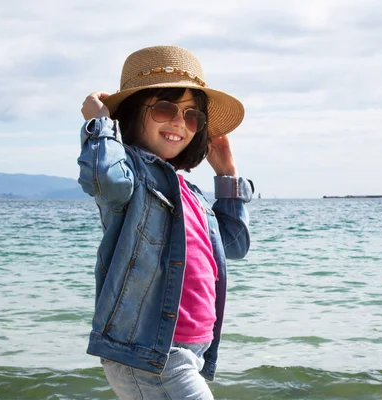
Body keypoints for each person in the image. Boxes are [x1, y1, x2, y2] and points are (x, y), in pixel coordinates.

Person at [77, 45, 253, 399]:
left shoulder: (190, 192)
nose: (179, 122)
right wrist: (98, 123)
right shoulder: (131, 179)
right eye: (165, 108)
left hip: (191, 351)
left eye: (191, 116)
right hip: (152, 353)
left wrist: (228, 176)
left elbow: (233, 245)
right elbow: (102, 178)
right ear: (129, 115)